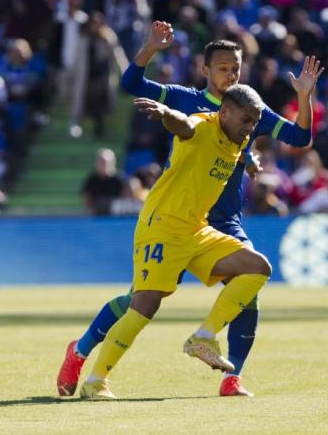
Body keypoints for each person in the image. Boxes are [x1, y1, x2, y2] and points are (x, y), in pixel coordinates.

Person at [58, 21, 323, 398]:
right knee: (142, 301)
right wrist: (150, 50)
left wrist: (304, 97)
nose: (230, 74)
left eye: (235, 67)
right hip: (170, 218)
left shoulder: (251, 109)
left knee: (250, 284)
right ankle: (81, 353)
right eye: (222, 68)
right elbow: (147, 96)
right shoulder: (188, 102)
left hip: (218, 221)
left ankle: (231, 375)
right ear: (205, 70)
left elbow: (300, 137)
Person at [78, 85, 270, 400]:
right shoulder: (202, 125)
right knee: (144, 306)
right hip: (162, 227)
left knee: (257, 267)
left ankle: (203, 337)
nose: (250, 127)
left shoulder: (239, 139)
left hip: (196, 229)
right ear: (224, 112)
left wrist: (249, 160)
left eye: (254, 122)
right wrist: (167, 114)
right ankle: (95, 382)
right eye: (246, 119)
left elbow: (241, 148)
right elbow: (185, 125)